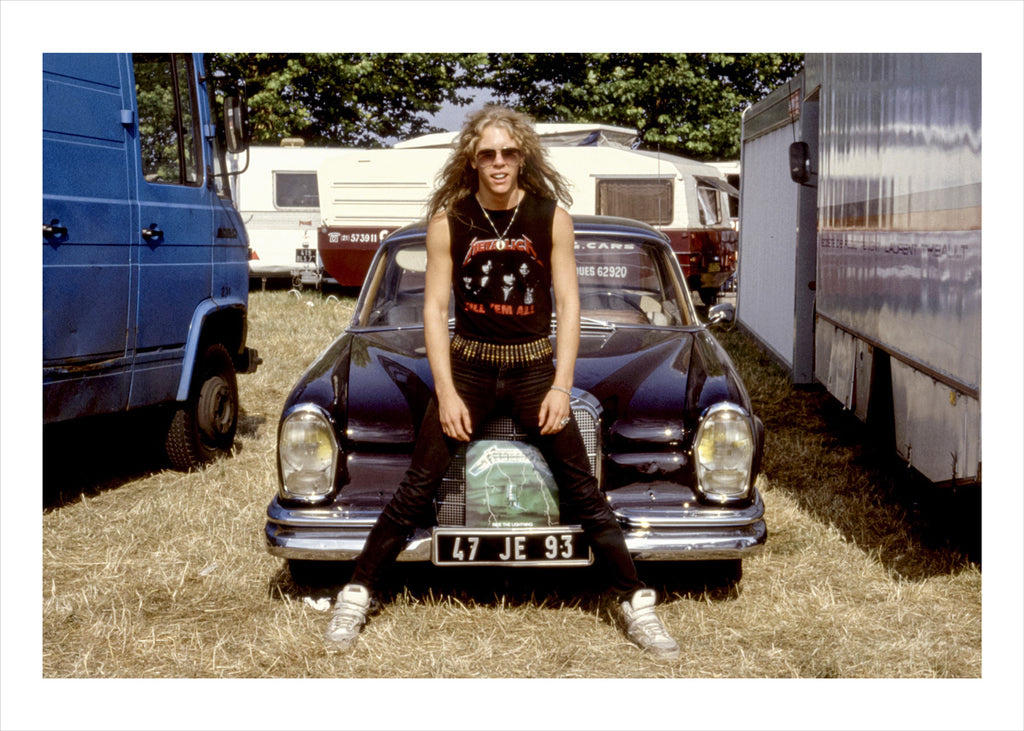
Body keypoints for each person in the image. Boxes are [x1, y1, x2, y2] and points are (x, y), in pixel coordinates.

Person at [324, 105, 679, 659]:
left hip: (535, 370)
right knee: (416, 489)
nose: (498, 163)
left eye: (508, 153)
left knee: (584, 491)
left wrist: (562, 387)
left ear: (522, 157)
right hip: (468, 370)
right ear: (472, 157)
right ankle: (356, 592)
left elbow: (569, 303)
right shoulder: (450, 220)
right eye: (487, 153)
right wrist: (444, 391)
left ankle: (636, 603)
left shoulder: (549, 217)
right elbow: (435, 307)